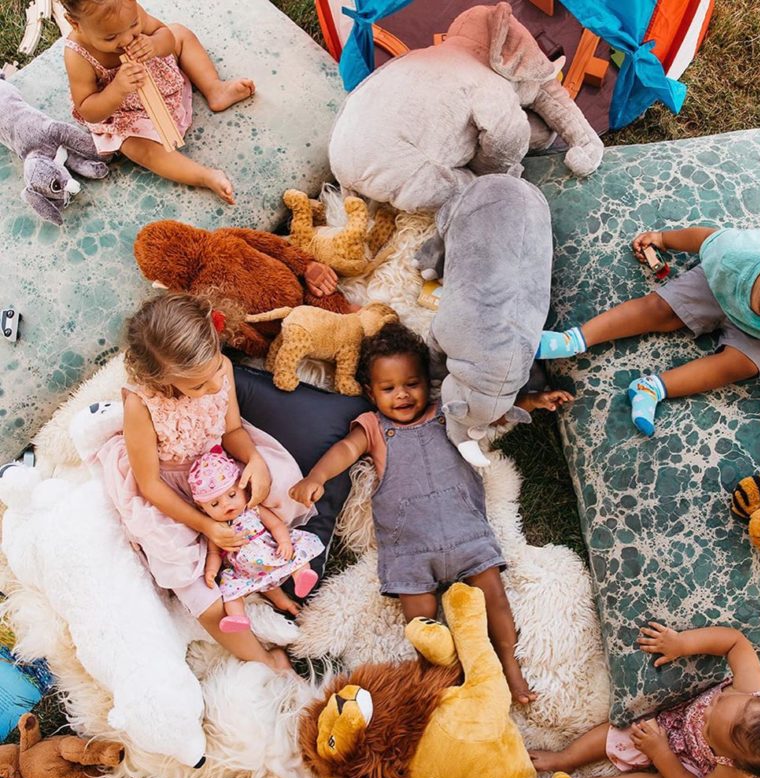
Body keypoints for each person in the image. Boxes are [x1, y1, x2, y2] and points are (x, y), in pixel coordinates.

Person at [289, 322, 572, 703]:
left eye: (412, 384)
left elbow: (491, 416)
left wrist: (532, 401)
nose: (402, 395)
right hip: (411, 552)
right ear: (371, 393)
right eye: (389, 388)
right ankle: (440, 680)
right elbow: (345, 450)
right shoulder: (373, 429)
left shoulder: (447, 413)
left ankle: (509, 665)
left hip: (466, 535)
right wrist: (317, 477)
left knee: (495, 600)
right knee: (422, 627)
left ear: (427, 382)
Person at [93, 293, 315, 673]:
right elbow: (150, 485)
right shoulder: (141, 406)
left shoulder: (220, 369)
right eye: (198, 385)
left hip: (219, 467)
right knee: (199, 586)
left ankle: (265, 578)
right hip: (172, 491)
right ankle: (265, 660)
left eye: (214, 370)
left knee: (273, 502)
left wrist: (254, 460)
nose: (214, 386)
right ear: (160, 379)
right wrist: (206, 526)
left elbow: (232, 430)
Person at [537, 224, 760, 436]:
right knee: (658, 309)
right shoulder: (735, 252)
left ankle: (652, 388)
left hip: (752, 339)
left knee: (741, 365)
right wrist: (663, 239)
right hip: (720, 287)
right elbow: (701, 238)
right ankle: (576, 338)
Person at [528, 624, 760, 778]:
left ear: (731, 759)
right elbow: (735, 642)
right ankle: (566, 758)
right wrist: (682, 643)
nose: (705, 714)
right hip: (675, 724)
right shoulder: (751, 686)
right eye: (718, 702)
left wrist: (661, 753)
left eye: (709, 730)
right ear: (752, 698)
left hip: (695, 773)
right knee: (627, 730)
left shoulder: (734, 774)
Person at [62, 0, 255, 203]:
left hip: (160, 78)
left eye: (134, 25)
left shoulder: (128, 11)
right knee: (134, 147)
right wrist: (117, 89)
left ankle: (214, 88)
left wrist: (154, 44)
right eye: (111, 37)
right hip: (127, 114)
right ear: (75, 24)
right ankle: (204, 176)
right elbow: (87, 110)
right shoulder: (77, 55)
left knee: (180, 33)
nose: (127, 39)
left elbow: (165, 36)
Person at [188, 446, 324, 634]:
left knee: (297, 552)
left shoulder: (254, 510)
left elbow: (276, 525)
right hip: (245, 572)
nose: (226, 504)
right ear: (203, 509)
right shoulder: (216, 528)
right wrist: (211, 571)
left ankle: (301, 576)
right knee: (228, 590)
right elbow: (213, 553)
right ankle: (238, 617)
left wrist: (284, 542)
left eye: (232, 495)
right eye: (215, 504)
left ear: (242, 489)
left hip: (271, 550)